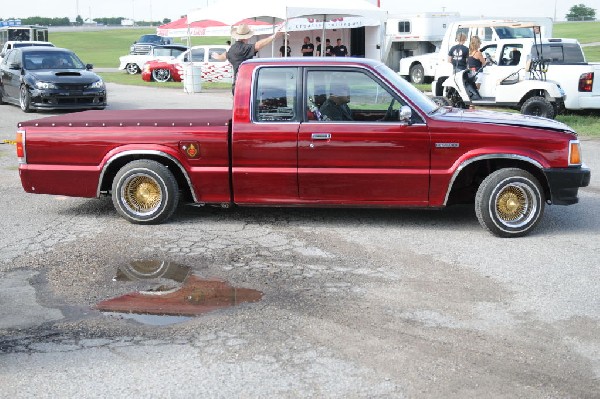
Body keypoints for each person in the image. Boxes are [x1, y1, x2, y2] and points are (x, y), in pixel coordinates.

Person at [212, 24, 281, 94]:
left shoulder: (232, 49)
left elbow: (225, 55)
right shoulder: (244, 48)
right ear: (247, 37)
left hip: (236, 84)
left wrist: (218, 56)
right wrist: (273, 36)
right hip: (245, 84)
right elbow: (258, 45)